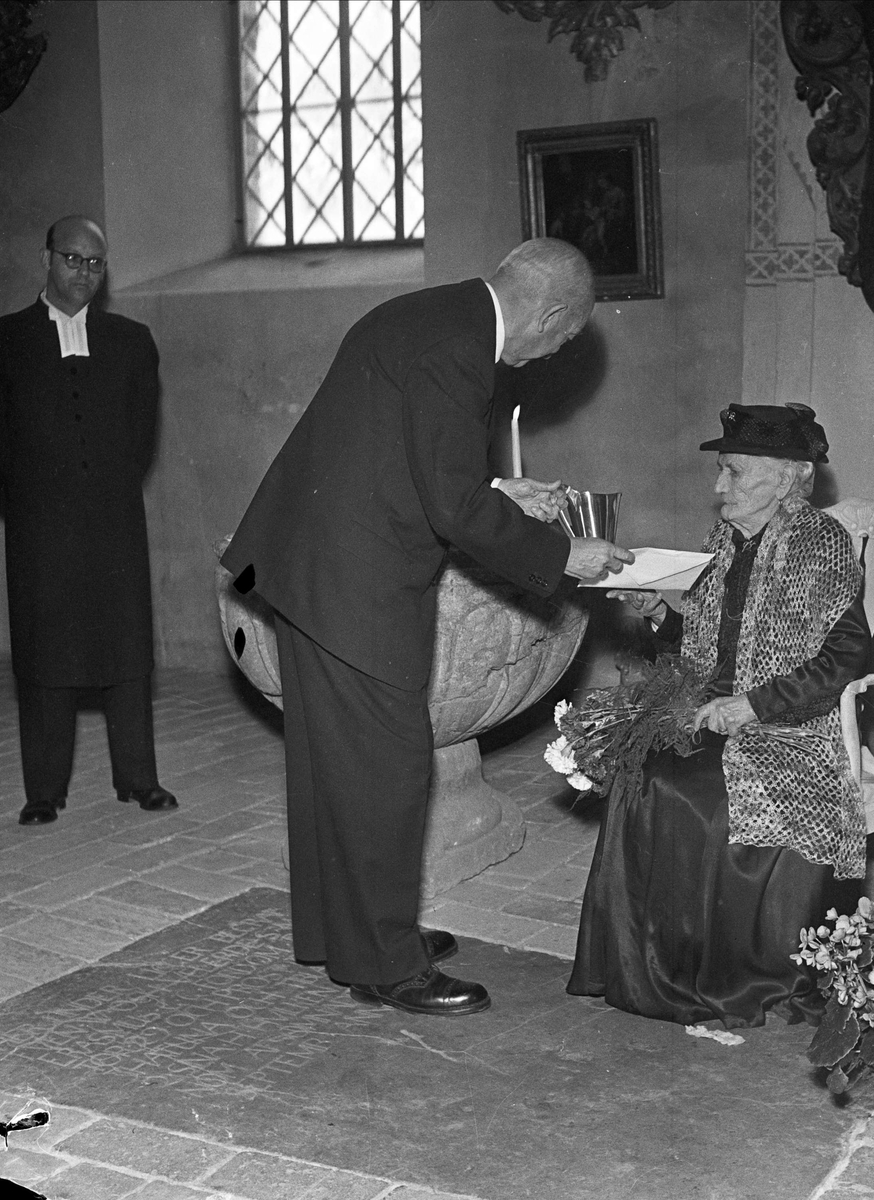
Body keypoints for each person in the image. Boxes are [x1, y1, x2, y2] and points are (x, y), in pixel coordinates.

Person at [221, 238, 632, 1017]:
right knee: (388, 770)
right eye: (562, 340)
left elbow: (396, 449)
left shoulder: (427, 314)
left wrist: (500, 486)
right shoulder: (461, 350)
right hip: (354, 584)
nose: (549, 356)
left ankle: (343, 935)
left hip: (307, 567)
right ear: (549, 315)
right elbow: (450, 506)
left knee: (330, 769)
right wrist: (564, 554)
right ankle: (386, 964)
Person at [567, 403, 871, 1028]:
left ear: (787, 476)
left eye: (732, 472)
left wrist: (753, 706)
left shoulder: (824, 543)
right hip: (708, 710)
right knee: (638, 772)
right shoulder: (724, 542)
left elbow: (845, 655)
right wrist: (658, 614)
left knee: (692, 794)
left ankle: (715, 973)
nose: (718, 487)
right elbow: (707, 647)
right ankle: (636, 964)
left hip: (789, 726)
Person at [0, 216, 177, 827]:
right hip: (39, 528)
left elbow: (142, 435)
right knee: (46, 653)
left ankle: (140, 779)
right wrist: (25, 503)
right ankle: (44, 790)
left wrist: (106, 491)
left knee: (125, 649)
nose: (84, 273)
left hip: (114, 524)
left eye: (96, 264)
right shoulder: (5, 340)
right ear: (46, 257)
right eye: (73, 259)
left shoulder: (132, 340)